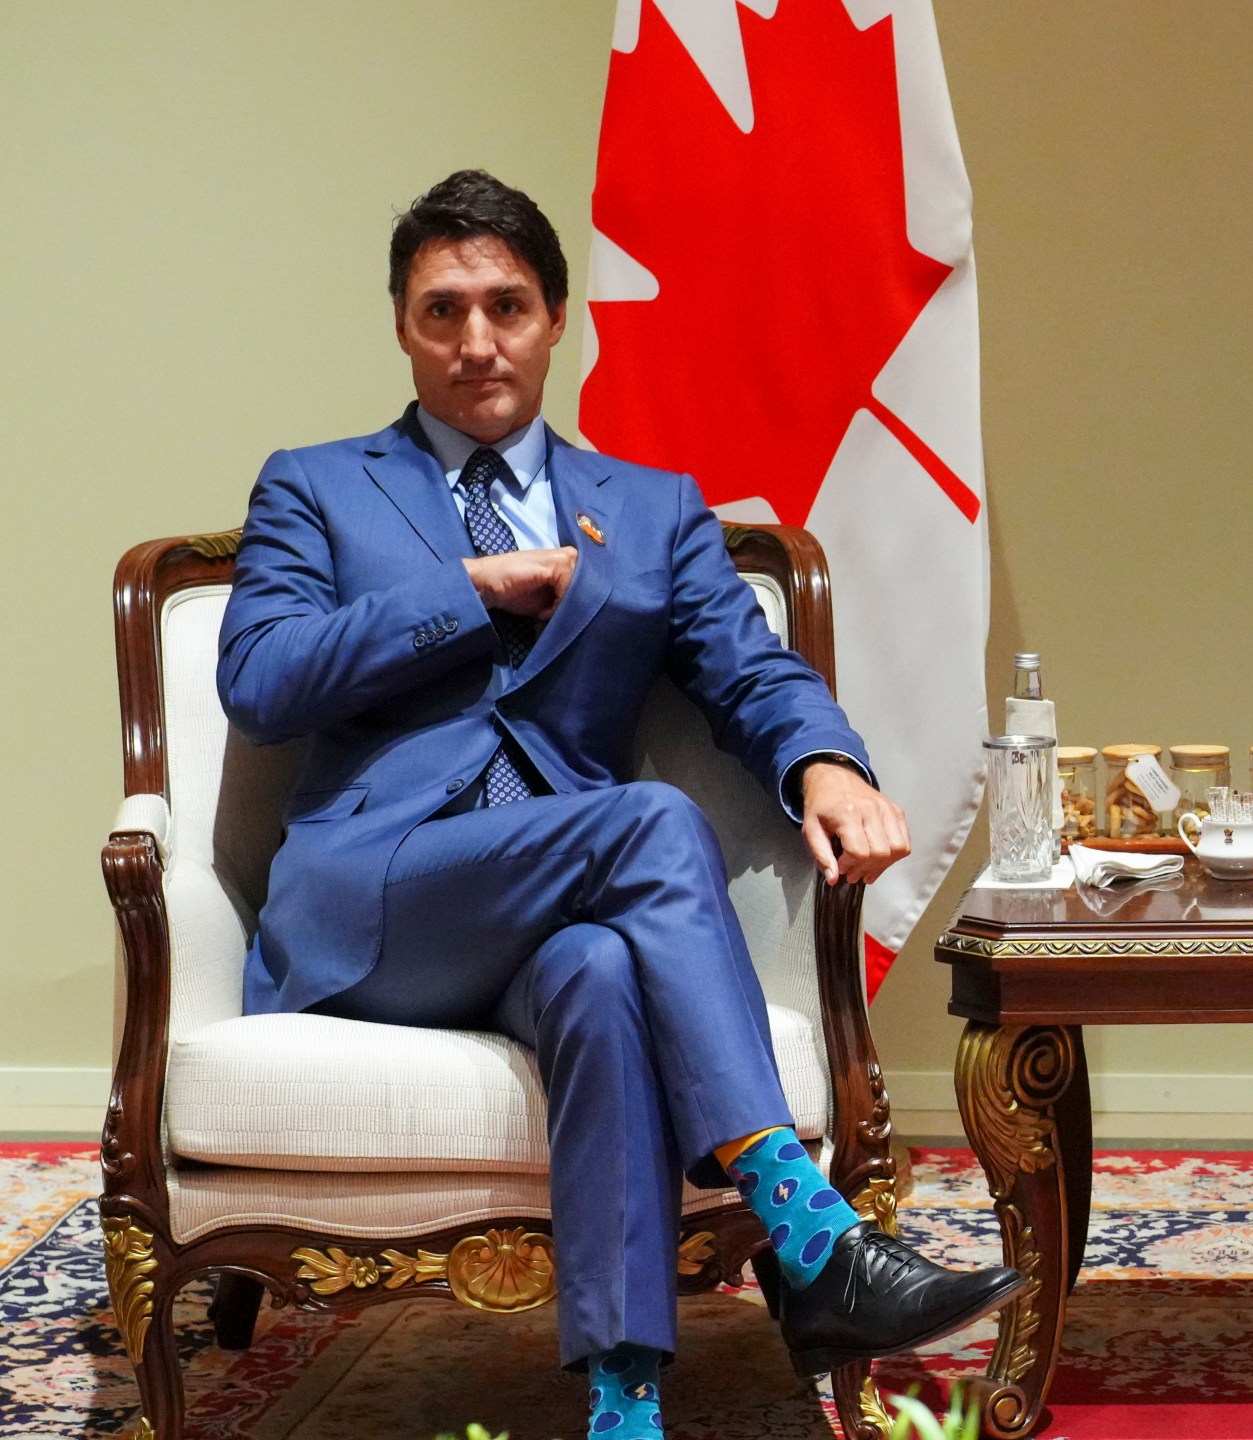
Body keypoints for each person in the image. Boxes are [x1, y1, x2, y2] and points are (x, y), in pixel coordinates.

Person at [218, 170, 1021, 1438]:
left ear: (555, 319)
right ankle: (806, 1232)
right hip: (379, 903)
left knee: (598, 972)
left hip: (554, 916)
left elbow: (752, 672)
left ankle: (624, 1398)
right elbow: (260, 680)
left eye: (506, 306)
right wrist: (472, 587)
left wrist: (828, 764)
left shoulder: (649, 509)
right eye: (442, 311)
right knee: (648, 823)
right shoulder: (317, 487)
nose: (476, 342)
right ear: (400, 326)